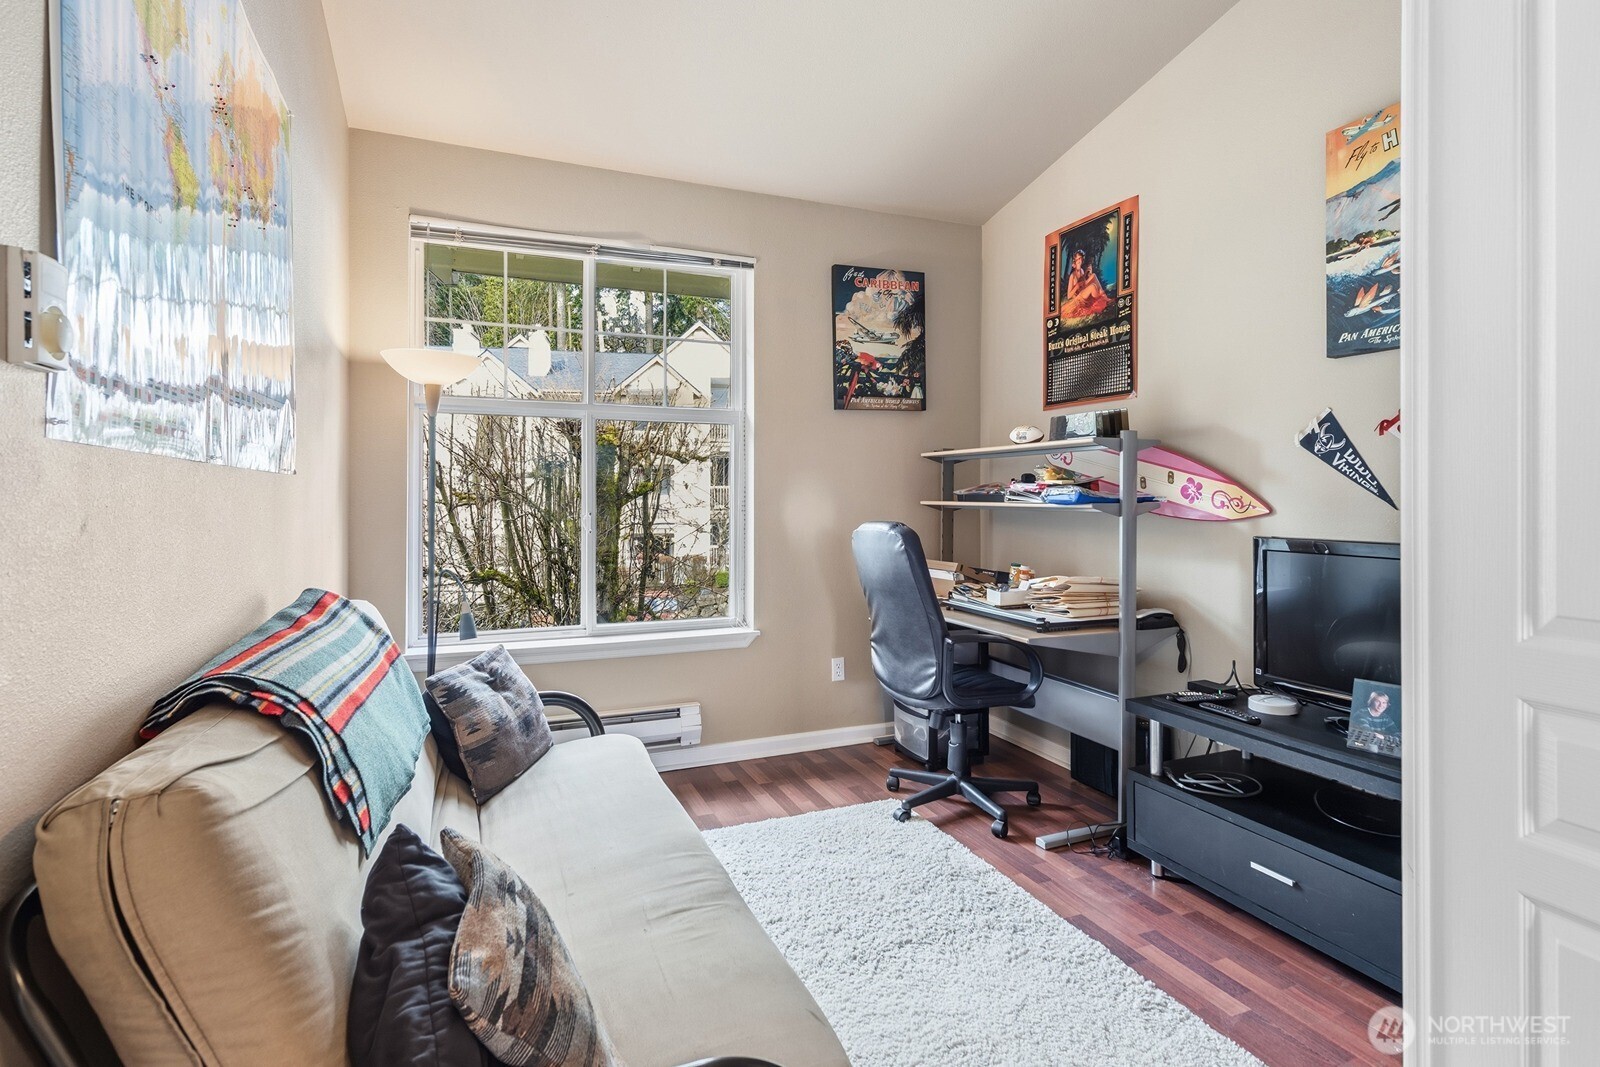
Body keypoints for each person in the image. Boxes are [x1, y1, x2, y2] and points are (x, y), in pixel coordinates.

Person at [1061, 248, 1112, 320]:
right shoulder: (1073, 276)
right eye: (1078, 259)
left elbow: (1083, 283)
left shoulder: (1082, 271)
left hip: (1082, 293)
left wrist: (1088, 273)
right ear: (1074, 262)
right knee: (1093, 286)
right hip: (1078, 298)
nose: (1079, 260)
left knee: (1093, 275)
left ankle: (1105, 298)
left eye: (1080, 258)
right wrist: (1077, 286)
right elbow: (1069, 296)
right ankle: (1100, 303)